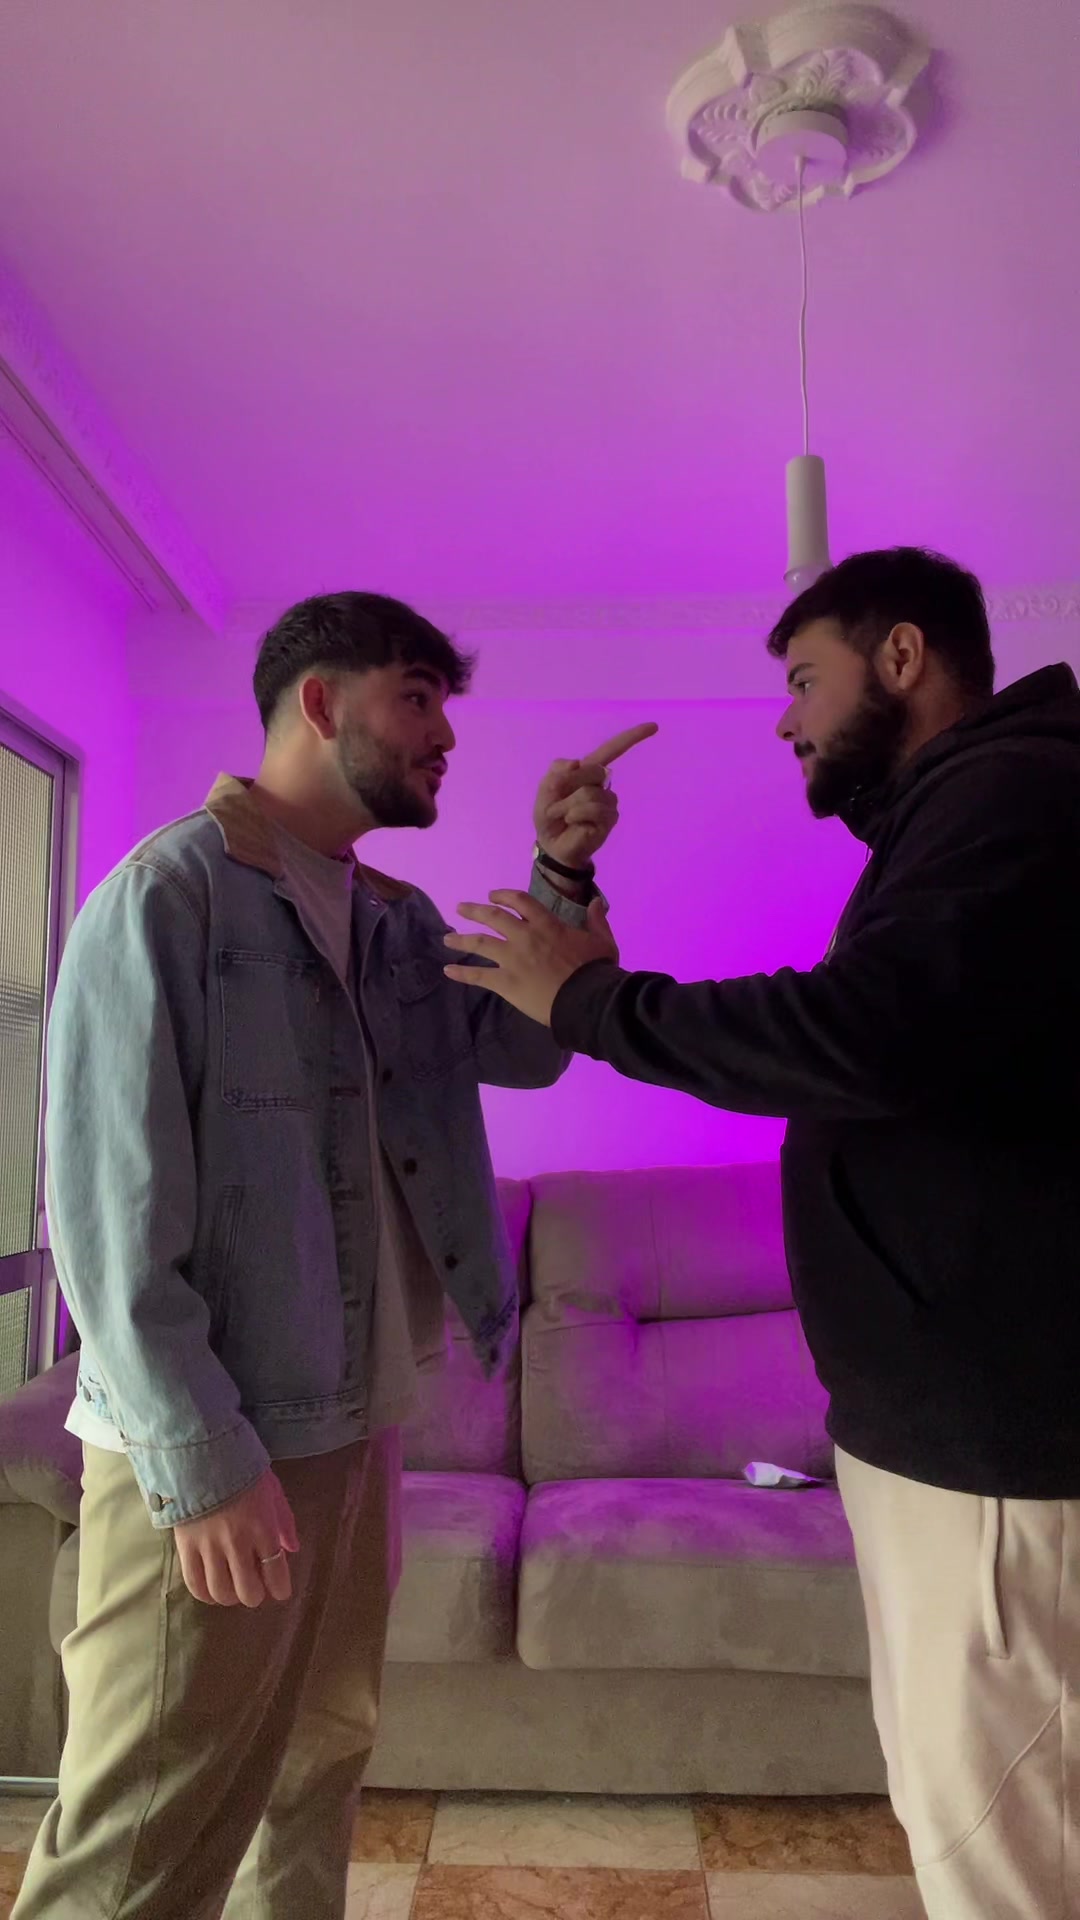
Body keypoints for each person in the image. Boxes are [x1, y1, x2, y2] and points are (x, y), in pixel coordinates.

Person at [444, 547, 1080, 1920]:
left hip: (1000, 1451)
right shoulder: (967, 810)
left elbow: (859, 1031)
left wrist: (596, 1002)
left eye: (803, 679)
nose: (785, 718)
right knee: (974, 1818)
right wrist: (564, 875)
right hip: (958, 1440)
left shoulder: (1019, 794)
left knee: (1007, 1852)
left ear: (903, 656)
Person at [15, 589, 655, 1920]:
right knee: (146, 1823)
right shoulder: (164, 900)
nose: (445, 737)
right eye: (417, 698)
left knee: (316, 1765)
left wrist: (562, 873)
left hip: (358, 1421)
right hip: (217, 1438)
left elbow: (523, 1044)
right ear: (320, 702)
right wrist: (202, 1461)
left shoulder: (391, 920)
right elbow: (109, 1223)